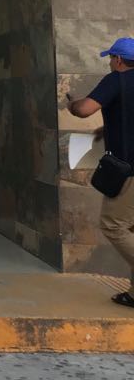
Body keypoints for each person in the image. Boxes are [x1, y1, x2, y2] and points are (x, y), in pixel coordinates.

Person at [67, 37, 134, 308]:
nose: (109, 63)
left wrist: (72, 105)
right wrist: (107, 130)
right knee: (131, 227)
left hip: (129, 171)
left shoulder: (117, 80)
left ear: (118, 60)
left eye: (110, 59)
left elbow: (85, 110)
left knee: (113, 225)